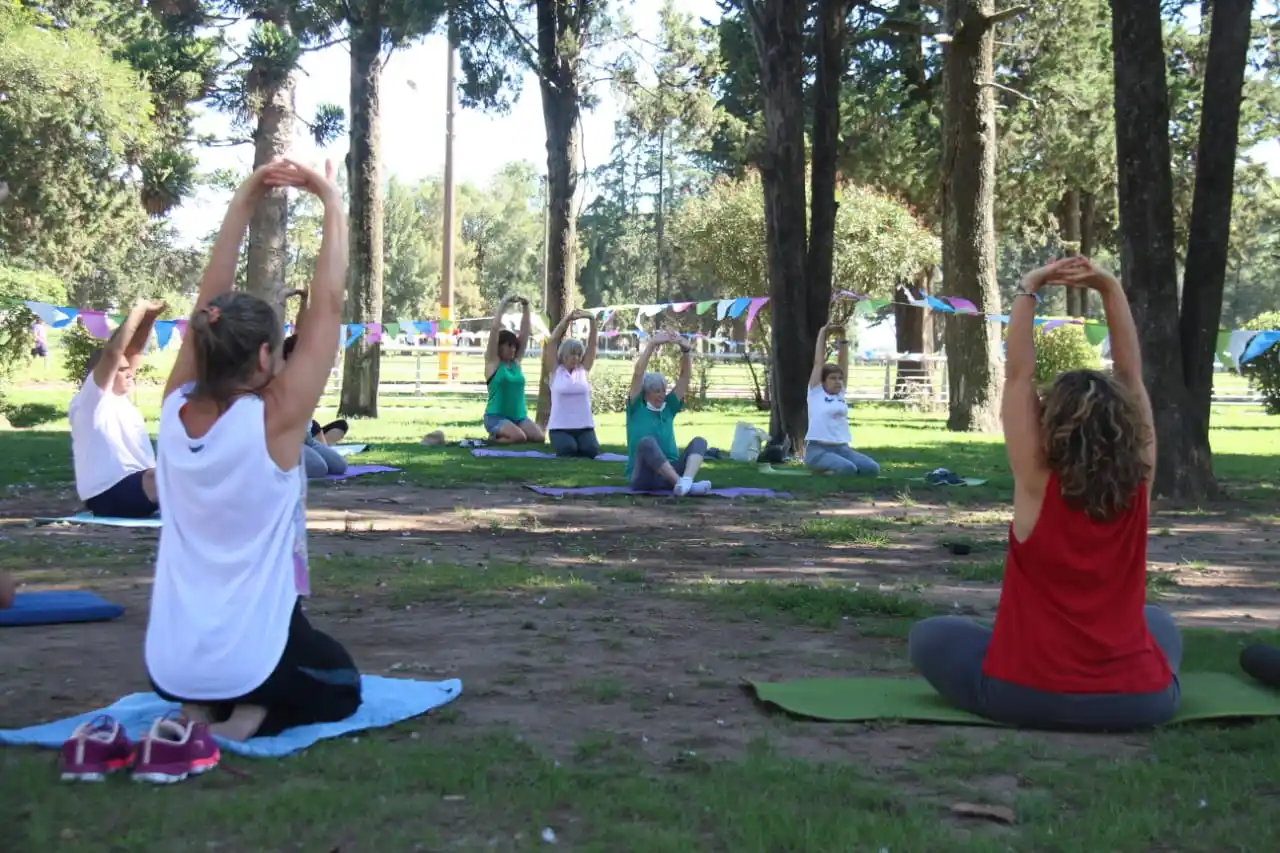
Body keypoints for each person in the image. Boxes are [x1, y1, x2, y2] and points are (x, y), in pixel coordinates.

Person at [132, 159, 360, 782]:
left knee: (249, 656)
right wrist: (330, 202)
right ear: (266, 355)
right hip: (252, 661)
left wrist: (242, 201)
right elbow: (331, 305)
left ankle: (195, 711)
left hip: (170, 666)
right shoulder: (276, 419)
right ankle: (249, 717)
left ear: (205, 345)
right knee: (341, 681)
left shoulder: (173, 407)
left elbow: (206, 304)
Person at [906, 257, 1181, 731]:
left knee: (930, 635)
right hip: (1139, 702)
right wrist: (1110, 287)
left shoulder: (1036, 482)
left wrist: (1028, 289)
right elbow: (1132, 379)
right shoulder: (1140, 483)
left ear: (1050, 424)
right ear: (1126, 429)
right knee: (1158, 622)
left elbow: (1018, 376)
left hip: (1025, 696)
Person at [68, 300, 165, 518]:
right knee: (166, 476)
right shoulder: (92, 399)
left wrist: (149, 318)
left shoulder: (121, 399)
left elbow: (135, 349)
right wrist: (137, 311)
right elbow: (113, 352)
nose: (130, 372)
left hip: (139, 487)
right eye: (121, 370)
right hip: (108, 494)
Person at [625, 331, 711, 496]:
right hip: (643, 478)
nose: (661, 395)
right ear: (645, 393)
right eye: (656, 391)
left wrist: (686, 351)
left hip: (667, 475)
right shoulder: (636, 409)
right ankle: (683, 485)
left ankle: (685, 482)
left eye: (663, 391)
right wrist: (652, 344)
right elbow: (638, 373)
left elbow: (685, 378)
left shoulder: (668, 407)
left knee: (700, 442)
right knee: (646, 443)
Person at [282, 291, 347, 479]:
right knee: (319, 469)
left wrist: (304, 301)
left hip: (307, 437)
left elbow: (303, 332)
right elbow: (299, 334)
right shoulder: (281, 373)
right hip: (287, 438)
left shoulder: (306, 374)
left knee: (339, 466)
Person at [803, 322, 880, 476]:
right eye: (833, 378)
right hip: (818, 450)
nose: (838, 381)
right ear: (823, 381)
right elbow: (819, 363)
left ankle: (836, 468)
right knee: (848, 469)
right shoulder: (816, 393)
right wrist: (822, 333)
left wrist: (843, 338)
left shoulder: (840, 394)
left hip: (842, 448)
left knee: (872, 469)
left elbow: (843, 364)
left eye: (839, 378)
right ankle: (820, 471)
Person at [482, 294, 544, 444]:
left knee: (539, 438)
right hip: (496, 417)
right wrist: (504, 303)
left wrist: (526, 306)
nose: (513, 349)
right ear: (499, 346)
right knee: (519, 437)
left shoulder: (516, 363)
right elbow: (495, 328)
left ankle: (511, 431)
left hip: (519, 417)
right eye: (508, 345)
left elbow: (524, 332)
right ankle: (492, 439)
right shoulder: (493, 363)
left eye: (514, 346)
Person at [544, 308, 600, 458]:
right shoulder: (556, 371)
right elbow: (552, 341)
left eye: (578, 354)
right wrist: (567, 320)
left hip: (584, 426)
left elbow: (593, 345)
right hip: (560, 427)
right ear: (563, 355)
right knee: (568, 450)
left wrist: (592, 320)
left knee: (591, 451)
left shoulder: (583, 370)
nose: (575, 358)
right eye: (572, 354)